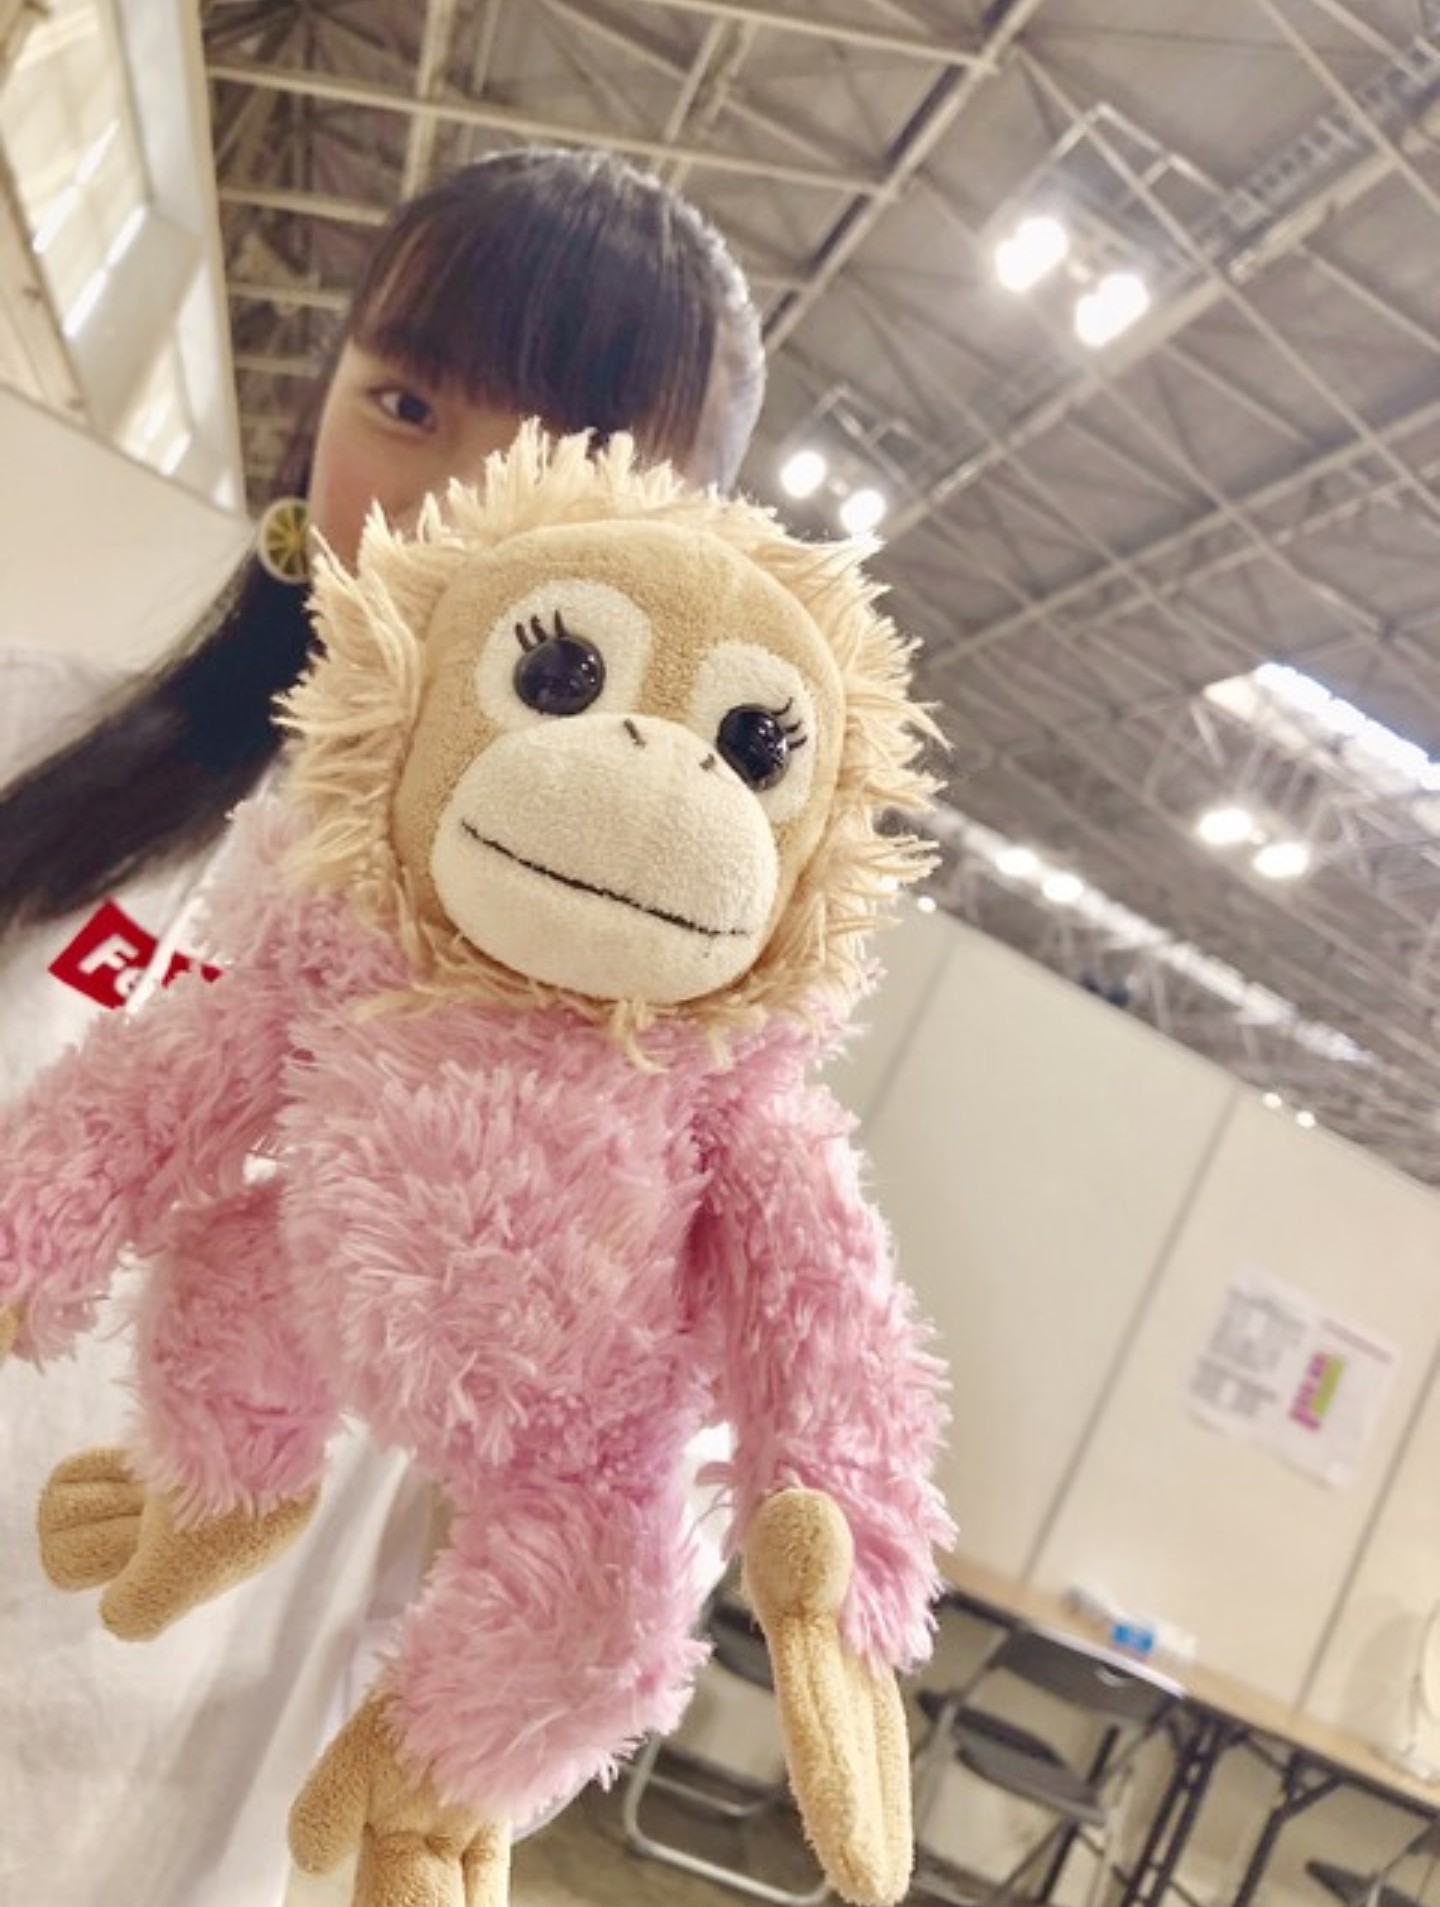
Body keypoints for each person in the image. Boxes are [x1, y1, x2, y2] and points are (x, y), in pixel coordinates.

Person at [0, 144, 765, 1907]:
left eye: (566, 460)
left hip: (148, 1813)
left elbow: (623, 1481)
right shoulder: (38, 755)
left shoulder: (643, 1059)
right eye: (408, 404)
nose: (446, 508)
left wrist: (484, 1738)